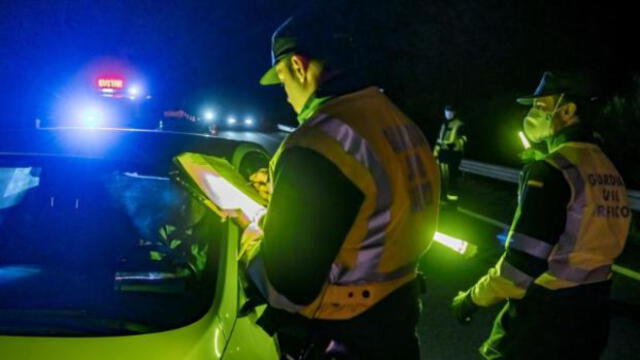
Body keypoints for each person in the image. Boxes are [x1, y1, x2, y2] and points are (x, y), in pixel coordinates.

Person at [240, 10, 440, 360]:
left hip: (341, 337)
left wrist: (253, 232)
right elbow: (370, 205)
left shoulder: (317, 141)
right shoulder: (398, 122)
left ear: (299, 67)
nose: (285, 95)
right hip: (396, 322)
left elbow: (288, 287)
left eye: (284, 81)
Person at [451, 71, 632, 359]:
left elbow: (520, 267)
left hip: (543, 321)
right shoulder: (607, 169)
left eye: (540, 106)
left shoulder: (550, 170)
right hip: (593, 317)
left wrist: (471, 299)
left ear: (569, 110)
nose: (531, 114)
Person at [434, 105, 466, 203]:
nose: (448, 114)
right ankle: (443, 196)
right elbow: (439, 140)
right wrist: (435, 153)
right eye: (446, 112)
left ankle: (452, 198)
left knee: (452, 176)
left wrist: (454, 145)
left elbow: (464, 139)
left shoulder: (459, 124)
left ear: (454, 113)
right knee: (442, 176)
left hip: (453, 155)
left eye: (450, 112)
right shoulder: (444, 125)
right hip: (443, 155)